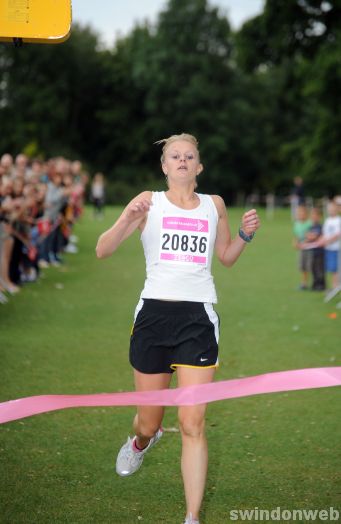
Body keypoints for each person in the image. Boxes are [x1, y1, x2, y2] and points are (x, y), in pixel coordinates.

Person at [96, 133, 260, 524]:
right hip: (153, 317)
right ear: (164, 166)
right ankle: (140, 441)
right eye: (175, 156)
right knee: (149, 421)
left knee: (192, 422)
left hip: (197, 319)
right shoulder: (148, 202)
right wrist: (127, 217)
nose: (183, 160)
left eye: (190, 156)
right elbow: (103, 249)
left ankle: (191, 517)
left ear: (199, 167)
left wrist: (244, 236)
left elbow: (226, 258)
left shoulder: (213, 205)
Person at [304, 208, 325, 291]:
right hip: (313, 251)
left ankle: (321, 285)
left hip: (320, 251)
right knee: (313, 268)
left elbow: (315, 236)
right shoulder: (311, 227)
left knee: (319, 268)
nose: (313, 217)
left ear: (319, 217)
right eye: (312, 215)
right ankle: (315, 284)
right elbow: (307, 236)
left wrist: (311, 236)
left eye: (315, 215)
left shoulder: (320, 226)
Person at [322, 201, 341, 290]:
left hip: (336, 248)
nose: (331, 211)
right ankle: (332, 286)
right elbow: (324, 233)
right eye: (329, 209)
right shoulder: (327, 220)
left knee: (335, 269)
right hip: (327, 248)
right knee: (329, 268)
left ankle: (335, 286)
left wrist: (328, 241)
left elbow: (338, 234)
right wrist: (322, 241)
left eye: (333, 209)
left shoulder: (338, 220)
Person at [293, 205, 312, 290]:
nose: (299, 215)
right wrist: (295, 243)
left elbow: (312, 236)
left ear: (306, 214)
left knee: (309, 266)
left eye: (301, 213)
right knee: (302, 267)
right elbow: (296, 236)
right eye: (298, 213)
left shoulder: (310, 223)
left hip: (310, 249)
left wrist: (305, 242)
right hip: (301, 249)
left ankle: (312, 283)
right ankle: (304, 283)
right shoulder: (296, 224)